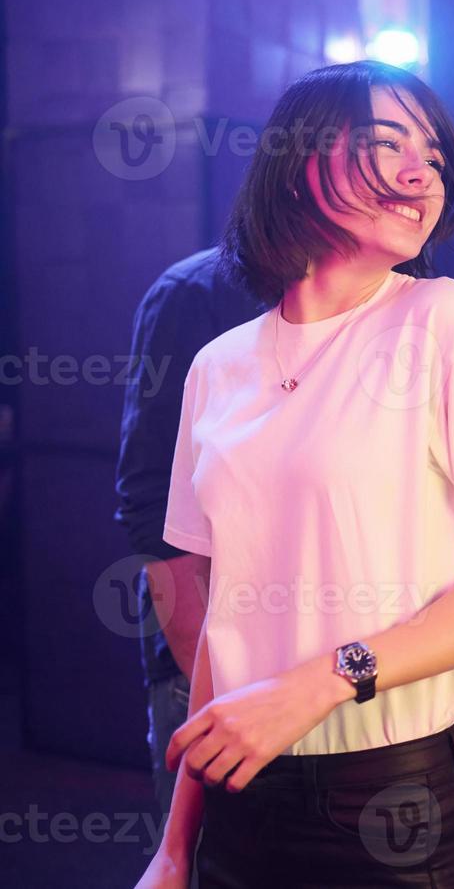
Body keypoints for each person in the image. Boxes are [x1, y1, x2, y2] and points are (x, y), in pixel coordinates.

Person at [135, 59, 454, 888]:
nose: (420, 173)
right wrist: (175, 844)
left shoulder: (446, 323)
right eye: (386, 144)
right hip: (237, 798)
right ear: (301, 163)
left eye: (433, 156)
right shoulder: (216, 367)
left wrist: (325, 682)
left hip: (391, 806)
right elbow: (226, 624)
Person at [116, 248, 261, 817]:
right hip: (208, 645)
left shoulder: (384, 302)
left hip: (324, 656)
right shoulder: (193, 293)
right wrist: (205, 673)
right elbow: (148, 495)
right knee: (205, 860)